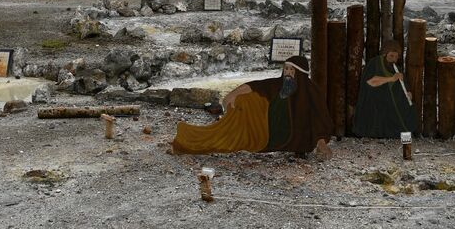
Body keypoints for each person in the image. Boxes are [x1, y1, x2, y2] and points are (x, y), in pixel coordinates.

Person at [171, 56, 333, 158]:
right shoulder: (279, 84)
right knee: (230, 127)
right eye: (286, 69)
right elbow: (256, 86)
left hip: (288, 136)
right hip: (263, 130)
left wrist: (321, 143)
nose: (288, 73)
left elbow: (320, 119)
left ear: (300, 73)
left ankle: (187, 139)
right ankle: (188, 139)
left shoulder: (311, 92)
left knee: (230, 135)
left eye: (292, 70)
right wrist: (232, 95)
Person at [351, 41, 417, 138]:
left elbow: (404, 84)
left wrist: (408, 92)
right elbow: (370, 82)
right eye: (391, 56)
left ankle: (405, 135)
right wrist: (391, 79)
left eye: (396, 57)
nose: (394, 59)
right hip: (375, 99)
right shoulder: (375, 63)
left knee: (408, 110)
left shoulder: (396, 68)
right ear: (385, 54)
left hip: (391, 100)